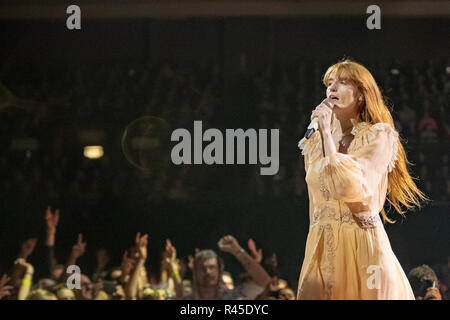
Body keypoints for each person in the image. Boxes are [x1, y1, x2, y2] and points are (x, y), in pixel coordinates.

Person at [297, 59, 428, 300]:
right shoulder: (313, 142)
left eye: (343, 82)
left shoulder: (377, 136)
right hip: (322, 243)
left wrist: (327, 133)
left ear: (360, 94)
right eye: (330, 83)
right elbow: (315, 202)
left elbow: (349, 186)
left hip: (361, 246)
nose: (332, 89)